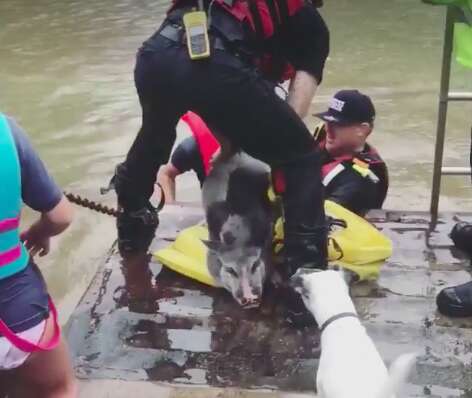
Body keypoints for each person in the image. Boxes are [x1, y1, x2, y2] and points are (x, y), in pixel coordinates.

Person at [111, 0, 331, 286]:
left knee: (155, 135)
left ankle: (132, 234)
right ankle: (308, 275)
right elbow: (292, 115)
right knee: (302, 158)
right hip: (213, 69)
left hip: (155, 57)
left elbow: (200, 64)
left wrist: (228, 147)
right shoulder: (311, 26)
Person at [159, 91, 388, 216]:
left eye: (338, 124)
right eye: (328, 122)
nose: (328, 129)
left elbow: (321, 220)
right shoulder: (195, 146)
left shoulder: (359, 181)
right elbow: (165, 173)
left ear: (362, 131)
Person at [0, 114, 77, 397]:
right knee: (59, 389)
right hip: (18, 313)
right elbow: (60, 216)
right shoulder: (6, 131)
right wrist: (38, 233)